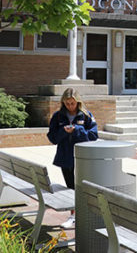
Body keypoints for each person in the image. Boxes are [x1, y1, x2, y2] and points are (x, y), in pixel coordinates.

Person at [47, 88, 98, 229]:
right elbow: (52, 138)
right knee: (70, 187)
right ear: (63, 102)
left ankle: (84, 214)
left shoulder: (86, 116)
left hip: (83, 157)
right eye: (67, 103)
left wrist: (77, 129)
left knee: (82, 187)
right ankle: (73, 216)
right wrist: (63, 132)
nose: (70, 106)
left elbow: (93, 136)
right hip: (65, 157)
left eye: (73, 103)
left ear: (78, 102)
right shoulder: (58, 116)